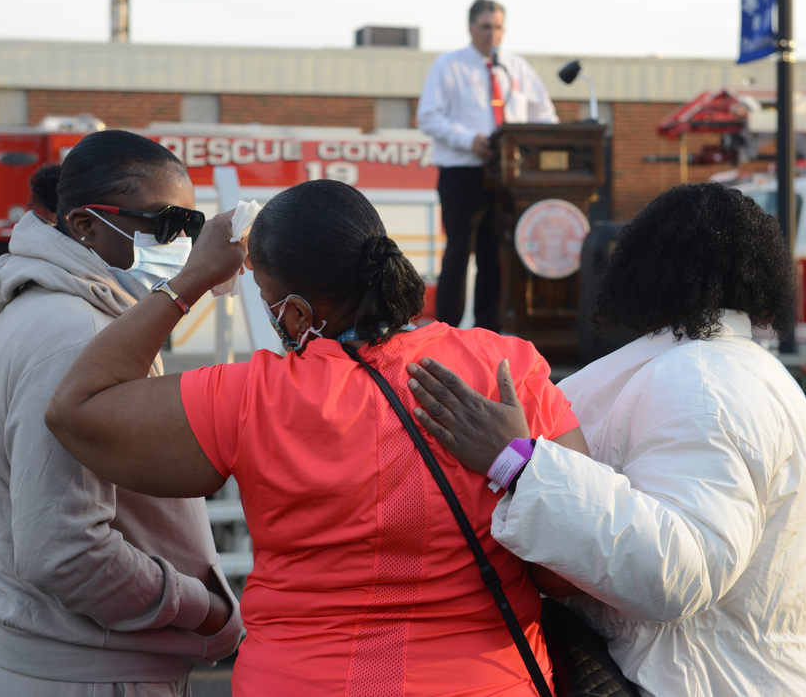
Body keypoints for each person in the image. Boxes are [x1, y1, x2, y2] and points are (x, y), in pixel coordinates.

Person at [44, 179, 591, 697]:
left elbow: (77, 408)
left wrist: (192, 280)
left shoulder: (251, 396)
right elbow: (569, 573)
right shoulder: (509, 367)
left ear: (299, 312)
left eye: (266, 296)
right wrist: (511, 465)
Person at [405, 182, 806, 697]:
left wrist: (516, 464)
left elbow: (680, 569)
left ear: (646, 270)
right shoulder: (731, 368)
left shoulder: (703, 381)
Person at [0, 130, 243, 696]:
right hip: (84, 673)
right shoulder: (74, 330)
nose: (182, 244)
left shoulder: (62, 310)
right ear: (86, 225)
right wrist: (206, 610)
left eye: (190, 227)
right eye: (164, 225)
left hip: (61, 664)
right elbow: (64, 549)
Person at [417, 0, 559, 331]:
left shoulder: (516, 68)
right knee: (458, 253)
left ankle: (486, 333)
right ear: (470, 28)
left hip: (508, 176)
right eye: (485, 27)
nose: (492, 34)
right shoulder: (449, 65)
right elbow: (428, 116)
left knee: (494, 257)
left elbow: (546, 117)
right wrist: (469, 140)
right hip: (462, 173)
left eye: (498, 27)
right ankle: (446, 331)